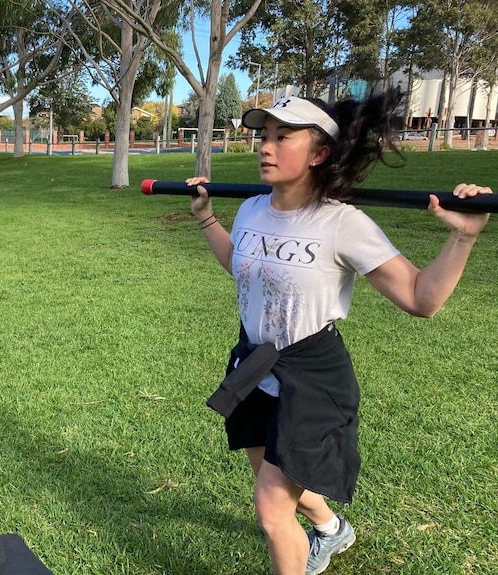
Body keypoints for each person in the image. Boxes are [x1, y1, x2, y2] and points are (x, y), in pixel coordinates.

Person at [187, 93, 491, 575]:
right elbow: (243, 268)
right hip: (255, 364)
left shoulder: (342, 224)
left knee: (271, 508)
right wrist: (206, 217)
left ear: (319, 153)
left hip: (311, 375)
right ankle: (333, 530)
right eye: (263, 136)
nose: (266, 147)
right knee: (285, 481)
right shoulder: (249, 211)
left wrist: (464, 235)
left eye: (283, 137)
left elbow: (420, 298)